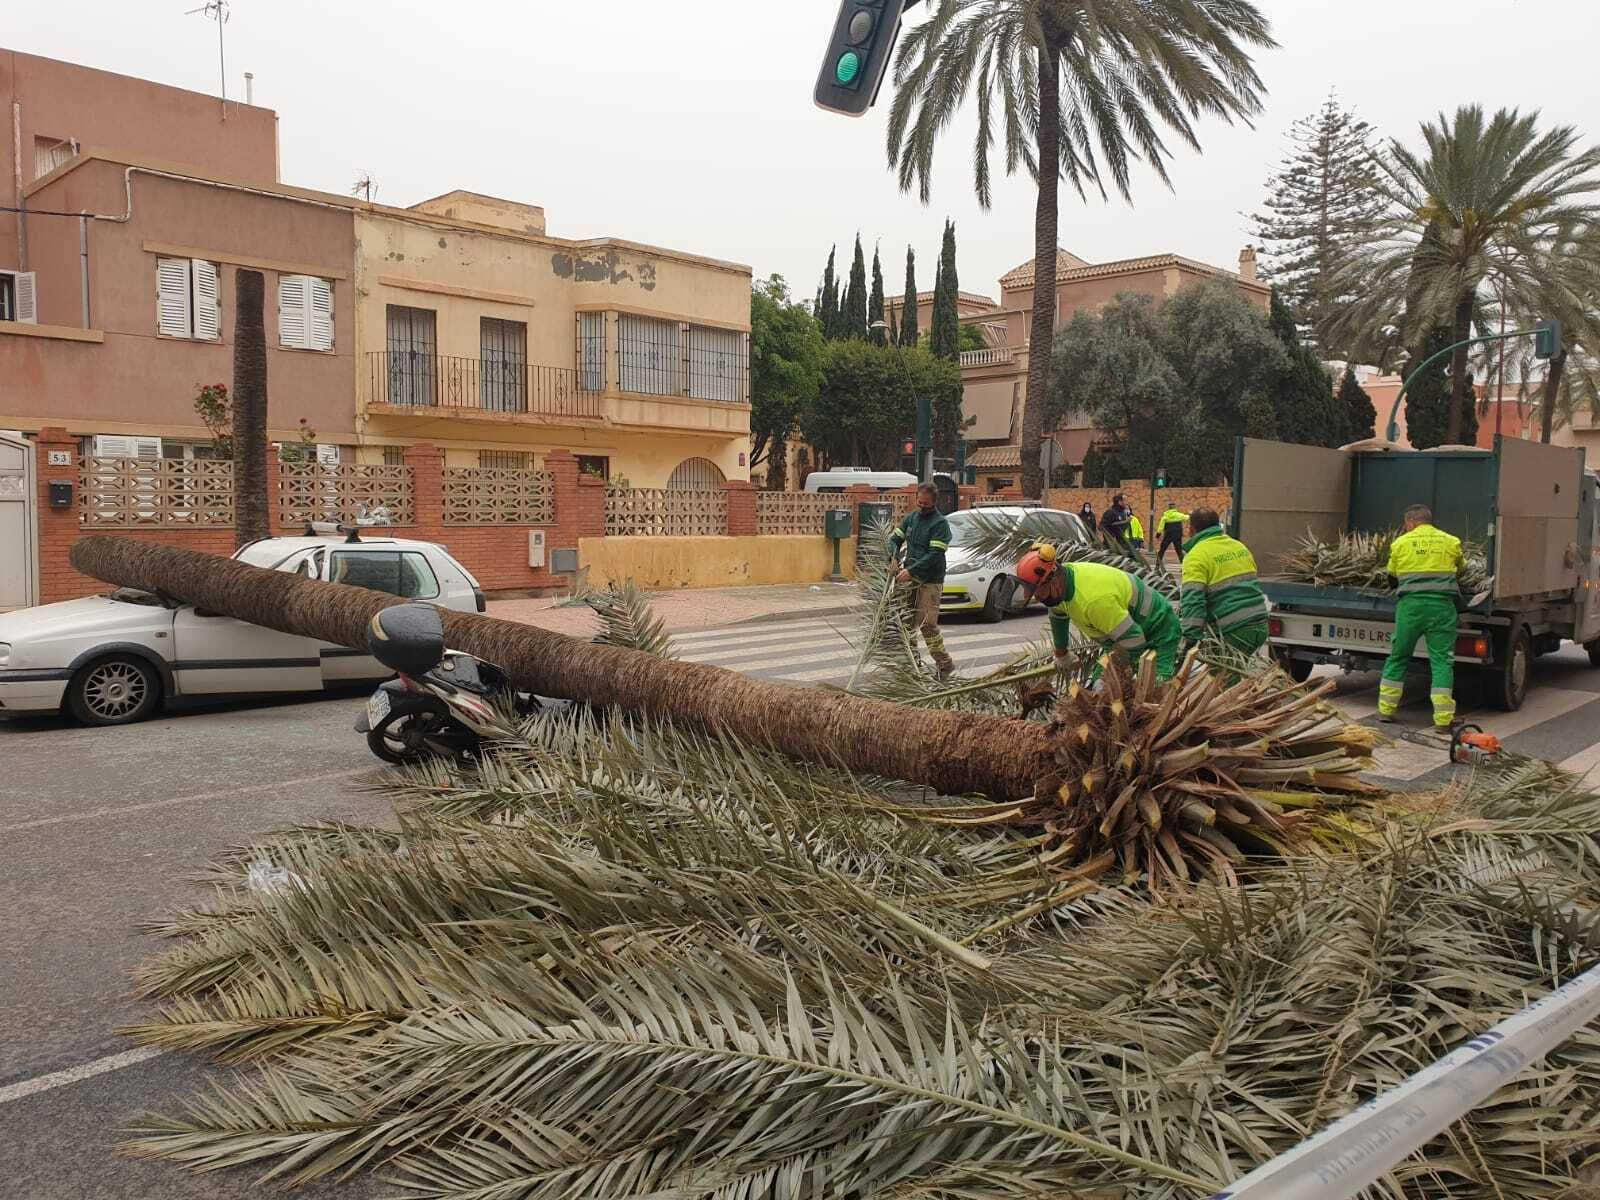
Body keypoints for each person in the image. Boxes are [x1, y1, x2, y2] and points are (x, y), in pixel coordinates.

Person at [1016, 545, 1183, 681]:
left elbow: (1133, 641)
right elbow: (1057, 614)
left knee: (1153, 691)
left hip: (1160, 630)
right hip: (1122, 637)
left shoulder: (1094, 602)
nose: (1036, 597)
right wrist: (1062, 654)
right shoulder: (1061, 585)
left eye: (1038, 591)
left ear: (1053, 579)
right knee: (1095, 689)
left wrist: (1109, 679)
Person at [1378, 504, 1464, 731]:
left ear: (1410, 523)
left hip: (1411, 608)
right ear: (1428, 520)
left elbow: (1392, 576)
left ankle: (1386, 710)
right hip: (1441, 608)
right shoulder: (1451, 541)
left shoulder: (1400, 544)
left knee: (1398, 656)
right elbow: (1460, 569)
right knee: (1441, 661)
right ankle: (1443, 721)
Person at [1179, 508, 1270, 656]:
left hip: (1234, 630)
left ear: (1192, 529)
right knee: (1237, 673)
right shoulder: (1239, 546)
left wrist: (1189, 640)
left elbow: (1193, 600)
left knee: (1222, 677)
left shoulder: (1196, 556)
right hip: (1259, 624)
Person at [889, 483, 955, 681]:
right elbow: (895, 539)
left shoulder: (940, 524)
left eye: (926, 504)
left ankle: (944, 664)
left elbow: (935, 554)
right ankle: (912, 664)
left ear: (934, 502)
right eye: (919, 503)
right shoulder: (911, 519)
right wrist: (892, 557)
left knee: (927, 625)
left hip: (930, 580)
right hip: (910, 576)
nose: (922, 507)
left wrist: (911, 570)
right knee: (906, 623)